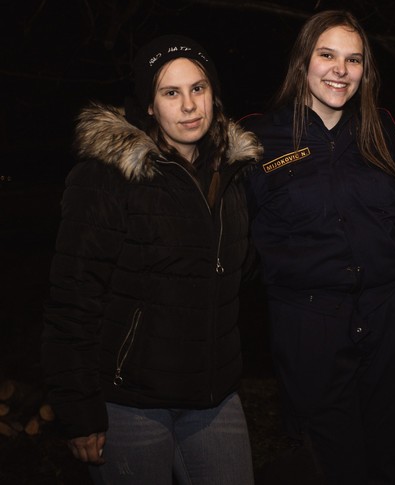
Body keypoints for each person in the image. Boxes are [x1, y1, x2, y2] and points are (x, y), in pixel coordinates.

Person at [41, 34, 262, 484]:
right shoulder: (108, 177)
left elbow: (242, 269)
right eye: (171, 93)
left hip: (214, 396)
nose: (189, 105)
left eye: (198, 88)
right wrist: (78, 409)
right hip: (131, 403)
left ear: (214, 94)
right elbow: (73, 297)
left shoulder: (231, 174)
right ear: (148, 105)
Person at [243, 9, 395, 484]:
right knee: (331, 464)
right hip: (309, 327)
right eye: (327, 55)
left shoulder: (384, 131)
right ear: (303, 61)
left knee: (391, 460)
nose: (341, 70)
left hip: (386, 320)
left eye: (353, 59)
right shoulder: (259, 138)